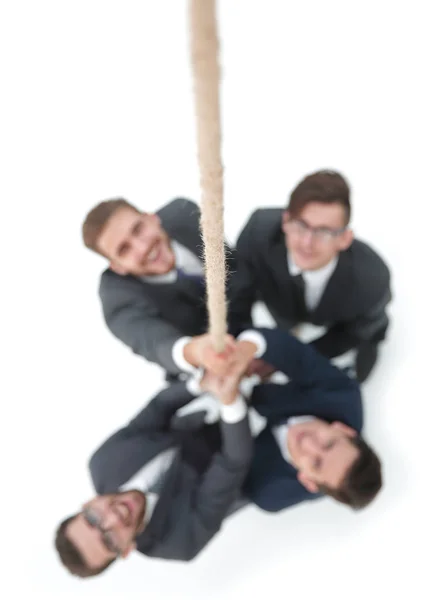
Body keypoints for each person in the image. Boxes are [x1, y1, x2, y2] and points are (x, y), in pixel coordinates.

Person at [54, 340, 255, 577]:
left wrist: (201, 384)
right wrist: (230, 399)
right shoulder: (180, 542)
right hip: (246, 468)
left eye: (93, 518)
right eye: (109, 541)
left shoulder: (102, 462)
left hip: (191, 428)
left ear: (87, 505)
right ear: (126, 550)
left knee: (188, 356)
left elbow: (158, 409)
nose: (112, 518)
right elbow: (234, 462)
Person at [177, 326, 382, 513]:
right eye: (329, 443)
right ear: (344, 429)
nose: (308, 443)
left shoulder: (267, 490)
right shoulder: (343, 395)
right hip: (273, 393)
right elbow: (294, 353)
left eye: (316, 463)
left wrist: (228, 401)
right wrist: (246, 351)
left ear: (308, 482)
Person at [230, 170, 392, 382]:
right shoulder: (258, 233)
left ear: (344, 239)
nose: (306, 242)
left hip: (346, 323)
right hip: (283, 303)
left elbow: (353, 332)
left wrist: (288, 357)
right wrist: (242, 345)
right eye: (300, 225)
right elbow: (239, 293)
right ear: (285, 221)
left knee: (368, 340)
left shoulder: (371, 279)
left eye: (323, 232)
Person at [82, 196, 243, 380]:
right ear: (117, 267)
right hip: (210, 368)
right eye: (124, 249)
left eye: (138, 229)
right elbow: (156, 343)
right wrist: (196, 352)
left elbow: (234, 265)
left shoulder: (185, 213)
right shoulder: (117, 300)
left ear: (152, 218)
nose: (142, 248)